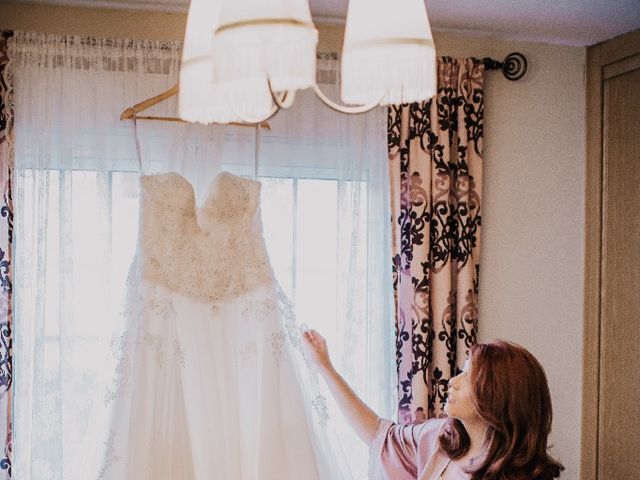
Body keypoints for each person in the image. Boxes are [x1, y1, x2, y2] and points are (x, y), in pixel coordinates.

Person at [302, 330, 564, 480]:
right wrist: (326, 369)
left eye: (469, 376)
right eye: (460, 370)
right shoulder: (439, 439)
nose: (453, 381)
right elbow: (377, 434)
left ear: (500, 395)